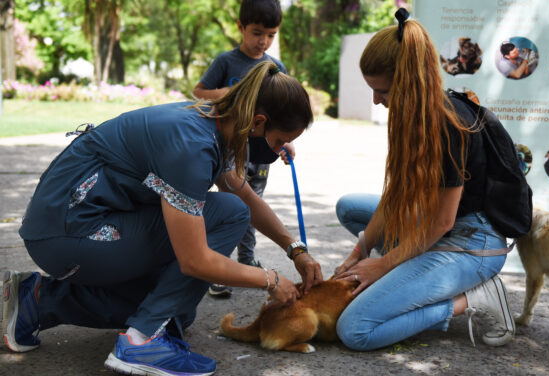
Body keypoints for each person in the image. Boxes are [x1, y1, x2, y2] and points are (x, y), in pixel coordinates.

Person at [2, 61, 323, 376]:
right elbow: (195, 261)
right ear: (258, 122)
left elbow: (242, 193)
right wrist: (270, 280)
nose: (281, 150)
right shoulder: (192, 146)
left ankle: (38, 299)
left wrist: (295, 249)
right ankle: (140, 341)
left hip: (75, 220)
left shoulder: (213, 120)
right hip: (68, 234)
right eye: (280, 140)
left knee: (176, 311)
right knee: (217, 232)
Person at [333, 9, 516, 352]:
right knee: (351, 209)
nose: (376, 100)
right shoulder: (411, 116)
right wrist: (359, 253)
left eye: (382, 90)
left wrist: (383, 265)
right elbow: (395, 196)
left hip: (472, 242)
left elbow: (443, 222)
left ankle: (475, 296)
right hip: (439, 225)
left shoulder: (448, 124)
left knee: (355, 329)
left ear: (407, 82)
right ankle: (408, 278)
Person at [192, 0, 294, 298]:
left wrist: (285, 142)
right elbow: (199, 93)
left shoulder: (275, 67)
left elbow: (283, 113)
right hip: (231, 149)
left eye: (271, 34)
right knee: (233, 206)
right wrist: (225, 93)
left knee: (254, 203)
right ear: (241, 28)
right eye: (257, 32)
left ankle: (247, 259)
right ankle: (218, 265)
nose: (263, 41)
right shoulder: (226, 62)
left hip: (261, 149)